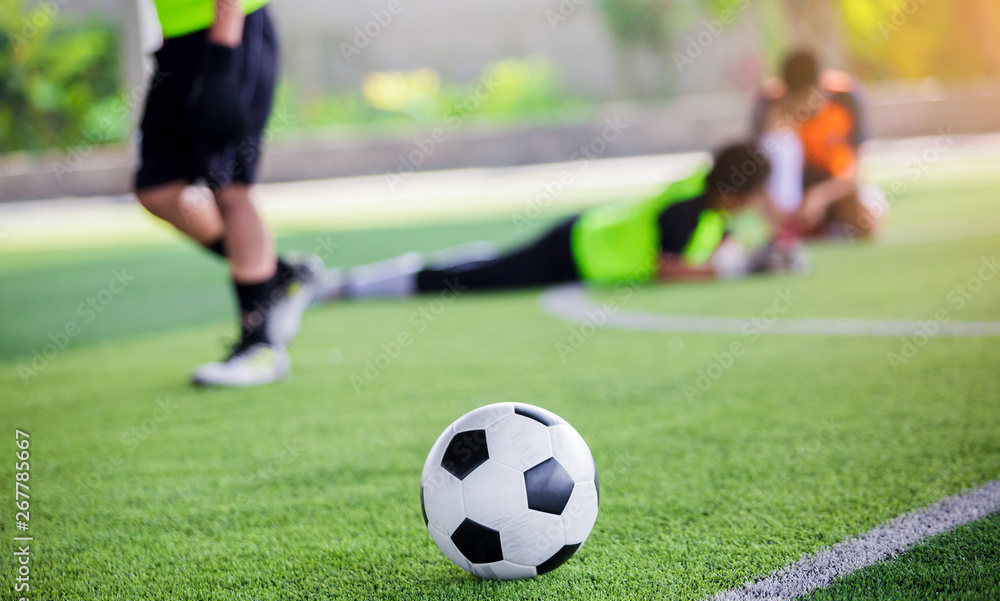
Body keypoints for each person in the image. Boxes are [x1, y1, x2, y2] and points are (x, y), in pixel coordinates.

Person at [318, 143, 803, 302]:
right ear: (735, 193)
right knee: (466, 280)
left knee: (484, 267)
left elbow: (721, 236)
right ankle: (351, 286)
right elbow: (668, 269)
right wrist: (744, 268)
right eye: (757, 194)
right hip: (571, 252)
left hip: (579, 240)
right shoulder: (689, 211)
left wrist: (763, 248)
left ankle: (474, 258)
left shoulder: (708, 195)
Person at [134, 0, 323, 388]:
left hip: (230, 32)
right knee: (157, 189)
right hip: (179, 42)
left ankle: (260, 346)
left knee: (232, 188)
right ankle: (281, 274)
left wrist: (221, 57)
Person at [752, 50, 883, 240]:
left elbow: (854, 174)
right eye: (795, 98)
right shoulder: (770, 104)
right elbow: (756, 169)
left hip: (832, 190)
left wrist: (820, 197)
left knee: (864, 220)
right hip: (788, 198)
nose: (802, 106)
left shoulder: (846, 97)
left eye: (805, 97)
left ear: (819, 86)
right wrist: (772, 206)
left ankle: (823, 227)